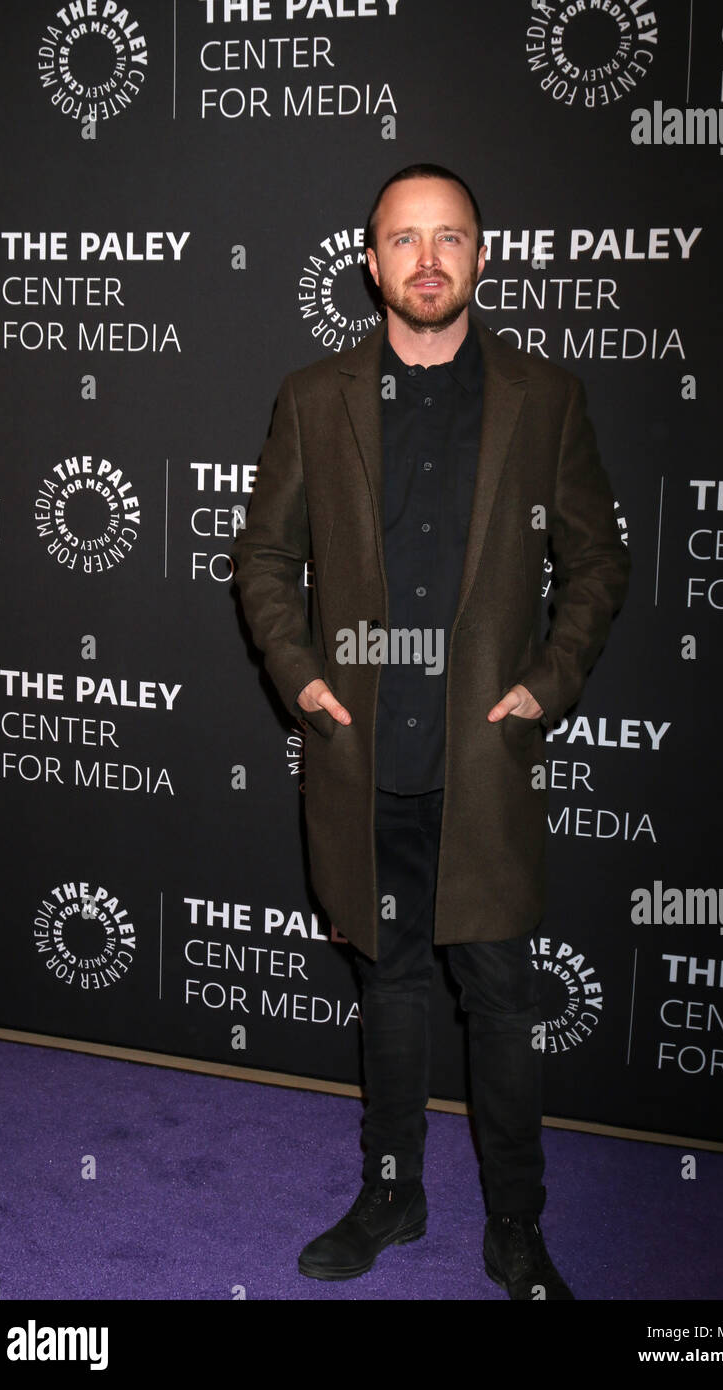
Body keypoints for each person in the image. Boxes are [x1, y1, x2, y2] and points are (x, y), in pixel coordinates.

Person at [230, 163, 630, 1300]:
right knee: (391, 992)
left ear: (479, 258)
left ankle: (515, 1225)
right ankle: (392, 1194)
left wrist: (545, 686)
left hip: (479, 762)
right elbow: (263, 558)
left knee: (499, 1002)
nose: (424, 259)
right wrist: (301, 678)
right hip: (364, 762)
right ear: (370, 264)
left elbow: (596, 560)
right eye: (402, 240)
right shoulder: (313, 397)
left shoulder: (541, 399)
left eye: (446, 237)